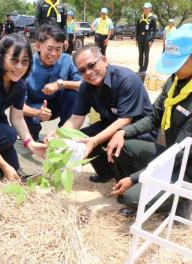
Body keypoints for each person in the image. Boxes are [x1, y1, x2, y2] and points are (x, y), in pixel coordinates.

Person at [107, 24, 192, 220]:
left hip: (186, 168)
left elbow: (179, 153)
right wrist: (122, 132)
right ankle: (150, 187)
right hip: (168, 154)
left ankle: (182, 200)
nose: (173, 69)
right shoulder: (177, 79)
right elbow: (155, 117)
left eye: (178, 63)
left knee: (132, 198)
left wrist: (134, 178)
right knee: (124, 146)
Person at [45, 44, 156, 183]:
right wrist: (59, 135)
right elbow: (75, 119)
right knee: (81, 137)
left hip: (138, 131)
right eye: (82, 70)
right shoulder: (86, 87)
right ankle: (107, 173)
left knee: (115, 142)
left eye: (91, 65)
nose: (89, 72)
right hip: (110, 124)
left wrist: (95, 140)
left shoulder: (126, 79)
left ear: (104, 60)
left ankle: (126, 181)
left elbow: (125, 120)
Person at [0, 34, 47, 181]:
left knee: (14, 171)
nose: (19, 67)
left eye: (25, 61)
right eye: (14, 60)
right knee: (8, 135)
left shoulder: (20, 84)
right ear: (1, 58)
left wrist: (31, 144)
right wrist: (3, 165)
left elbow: (17, 118)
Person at [23, 25, 82, 142]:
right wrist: (37, 113)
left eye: (58, 49)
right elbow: (17, 105)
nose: (54, 54)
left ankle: (64, 134)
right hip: (34, 109)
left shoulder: (66, 59)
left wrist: (60, 83)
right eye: (49, 49)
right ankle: (32, 136)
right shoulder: (26, 65)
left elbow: (83, 84)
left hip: (58, 105)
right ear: (38, 46)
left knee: (72, 94)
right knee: (29, 119)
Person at [135, 2, 156, 74]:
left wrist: (152, 40)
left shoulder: (152, 18)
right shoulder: (140, 17)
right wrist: (137, 39)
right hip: (140, 37)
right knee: (140, 54)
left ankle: (144, 69)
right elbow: (137, 29)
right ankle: (140, 68)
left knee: (146, 54)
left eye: (146, 8)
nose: (145, 9)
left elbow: (154, 30)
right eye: (144, 8)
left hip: (147, 38)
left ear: (150, 9)